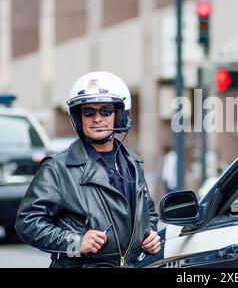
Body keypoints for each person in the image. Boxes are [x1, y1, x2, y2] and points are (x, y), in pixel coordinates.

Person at [15, 72, 161, 268]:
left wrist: (150, 234)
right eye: (89, 112)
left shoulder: (133, 163)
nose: (97, 119)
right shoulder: (58, 167)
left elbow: (148, 212)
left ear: (119, 116)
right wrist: (75, 242)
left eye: (106, 111)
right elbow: (28, 223)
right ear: (79, 118)